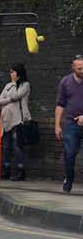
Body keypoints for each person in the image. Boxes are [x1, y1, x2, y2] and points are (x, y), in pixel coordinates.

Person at [55, 55, 83, 193]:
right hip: (71, 123)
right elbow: (60, 104)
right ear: (73, 68)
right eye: (80, 68)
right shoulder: (65, 82)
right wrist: (57, 125)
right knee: (70, 153)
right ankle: (69, 179)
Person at [0, 63, 31, 181]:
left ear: (18, 73)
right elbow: (0, 100)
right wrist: (9, 99)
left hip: (18, 120)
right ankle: (6, 169)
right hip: (6, 121)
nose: (11, 74)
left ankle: (21, 171)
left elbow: (16, 96)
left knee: (18, 146)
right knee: (6, 146)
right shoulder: (7, 85)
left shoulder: (25, 85)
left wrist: (13, 84)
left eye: (13, 72)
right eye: (10, 72)